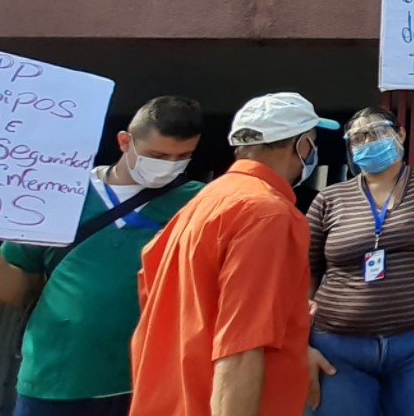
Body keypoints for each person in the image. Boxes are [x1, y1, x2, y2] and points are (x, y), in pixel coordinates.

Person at [0, 96, 204, 416]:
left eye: (183, 157)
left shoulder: (199, 203)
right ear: (125, 141)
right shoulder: (57, 191)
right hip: (54, 382)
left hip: (149, 386)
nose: (168, 165)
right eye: (157, 155)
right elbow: (23, 290)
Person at [129, 92, 339, 416]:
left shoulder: (203, 201)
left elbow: (150, 289)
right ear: (301, 146)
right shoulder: (268, 214)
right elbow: (241, 346)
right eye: (310, 141)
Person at [305, 107, 414, 416]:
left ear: (400, 133)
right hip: (338, 348)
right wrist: (301, 344)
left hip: (412, 347)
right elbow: (304, 273)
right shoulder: (329, 198)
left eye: (377, 132)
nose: (368, 142)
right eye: (358, 138)